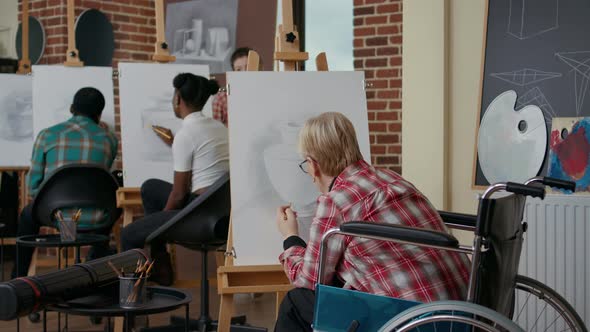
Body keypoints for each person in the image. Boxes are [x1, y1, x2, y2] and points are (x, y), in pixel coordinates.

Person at [274, 112, 471, 331]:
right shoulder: (392, 179)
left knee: (296, 302)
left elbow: (308, 281)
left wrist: (290, 238)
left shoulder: (336, 201)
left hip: (414, 321)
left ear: (314, 165)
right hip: (462, 313)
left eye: (306, 165)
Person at [121, 73, 229, 286]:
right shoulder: (220, 128)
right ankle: (160, 263)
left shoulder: (186, 134)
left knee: (129, 234)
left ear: (178, 98)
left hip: (199, 214)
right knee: (150, 188)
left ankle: (132, 303)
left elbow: (179, 194)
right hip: (223, 214)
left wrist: (161, 227)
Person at [13, 87, 118, 277]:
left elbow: (32, 186)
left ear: (71, 108)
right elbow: (102, 179)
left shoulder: (47, 135)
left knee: (27, 216)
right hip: (97, 217)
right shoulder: (109, 139)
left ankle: (17, 278)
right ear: (99, 113)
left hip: (52, 213)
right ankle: (93, 265)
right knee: (113, 208)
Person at [212, 47, 253, 127]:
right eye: (238, 70)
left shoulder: (266, 93)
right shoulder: (221, 98)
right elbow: (216, 132)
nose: (244, 73)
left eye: (248, 67)